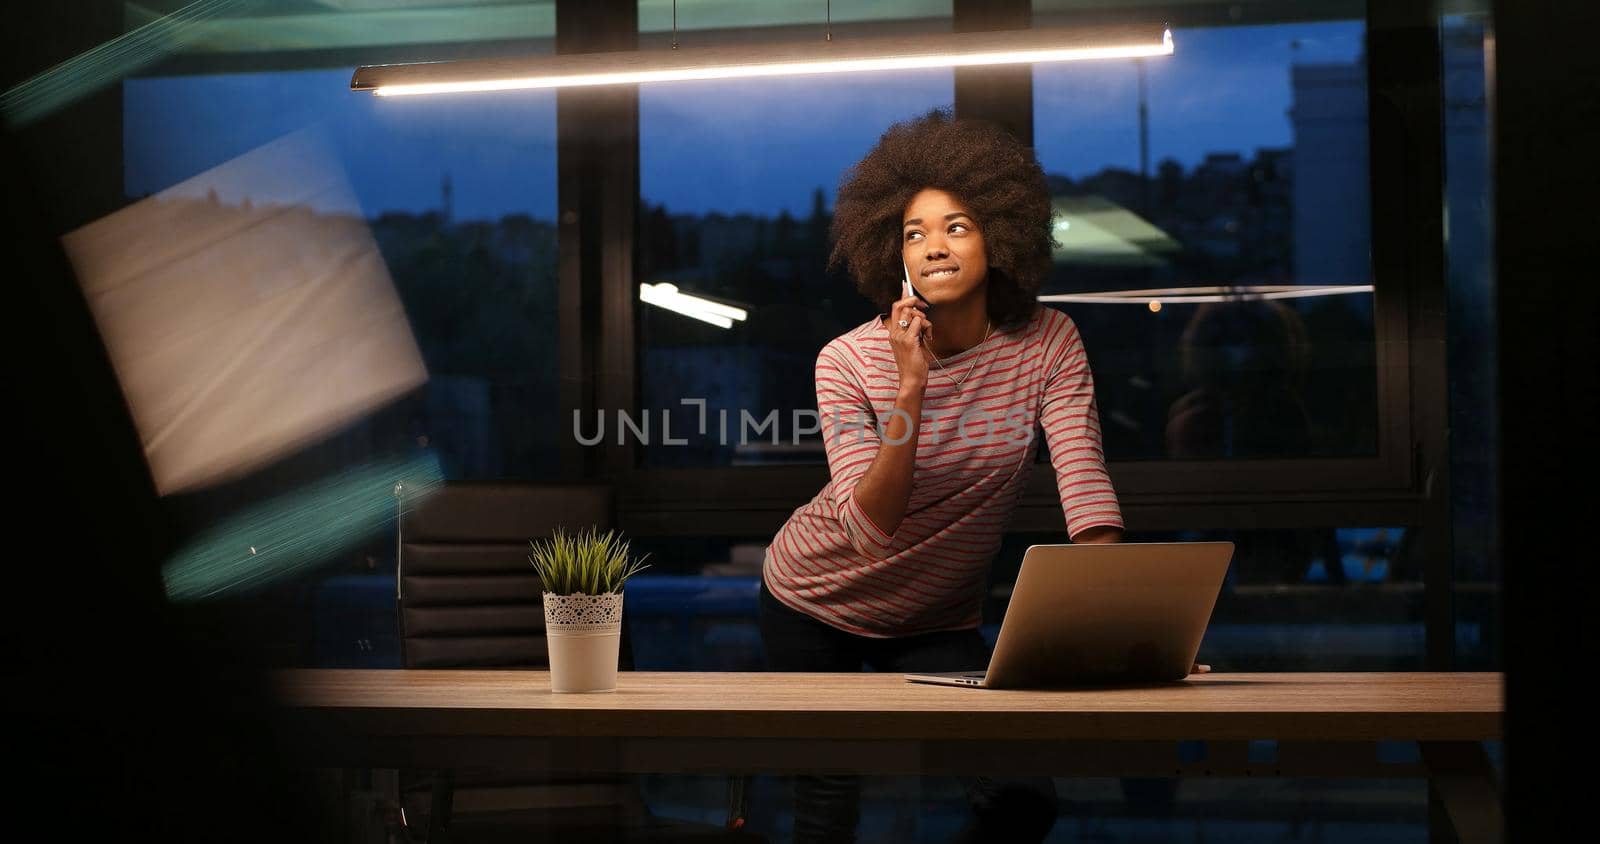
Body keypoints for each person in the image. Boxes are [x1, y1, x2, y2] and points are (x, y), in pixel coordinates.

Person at [760, 109, 1204, 843]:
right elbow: (870, 531)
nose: (934, 245)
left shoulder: (1049, 342)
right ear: (890, 255)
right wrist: (910, 386)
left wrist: (1122, 625)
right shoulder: (845, 361)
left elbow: (1085, 489)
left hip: (937, 616)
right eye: (914, 232)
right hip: (813, 601)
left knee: (1021, 799)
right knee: (827, 807)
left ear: (1000, 235)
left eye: (957, 226)